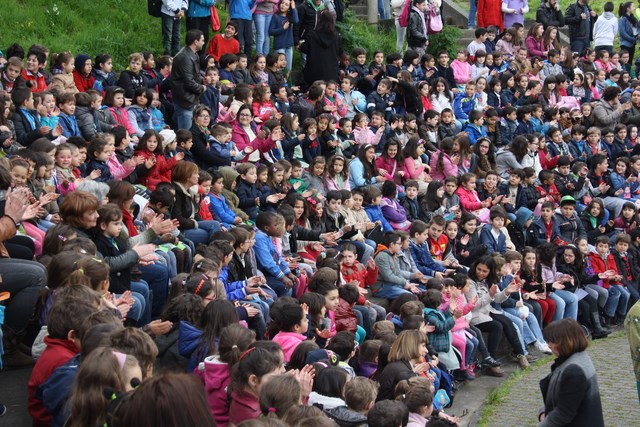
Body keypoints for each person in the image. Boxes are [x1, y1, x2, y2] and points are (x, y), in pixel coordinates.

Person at [538, 319, 604, 427]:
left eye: (552, 341)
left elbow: (564, 413)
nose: (549, 345)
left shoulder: (573, 371)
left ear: (566, 341)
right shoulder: (578, 359)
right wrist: (544, 412)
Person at [170, 29, 206, 131]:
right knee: (184, 134)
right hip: (185, 101)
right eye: (202, 40)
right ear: (196, 42)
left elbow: (194, 75)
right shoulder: (185, 57)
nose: (204, 43)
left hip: (190, 99)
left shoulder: (193, 54)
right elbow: (189, 82)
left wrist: (203, 80)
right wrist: (202, 88)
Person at [300, 10, 341, 87]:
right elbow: (340, 51)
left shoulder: (312, 34)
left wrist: (301, 45)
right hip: (331, 73)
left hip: (313, 73)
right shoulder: (336, 36)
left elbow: (304, 49)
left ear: (319, 20)